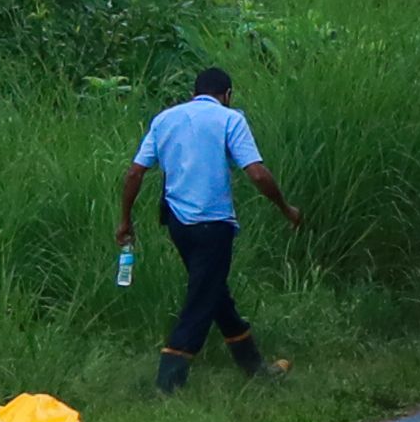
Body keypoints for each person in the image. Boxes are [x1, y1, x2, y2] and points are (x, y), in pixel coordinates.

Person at [114, 68, 305, 391]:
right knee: (202, 297)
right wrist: (286, 208)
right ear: (227, 95)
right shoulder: (229, 119)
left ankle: (255, 368)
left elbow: (134, 173)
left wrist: (126, 220)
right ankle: (168, 382)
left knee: (215, 292)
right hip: (214, 225)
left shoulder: (165, 119)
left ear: (194, 92)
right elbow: (257, 174)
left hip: (178, 224)